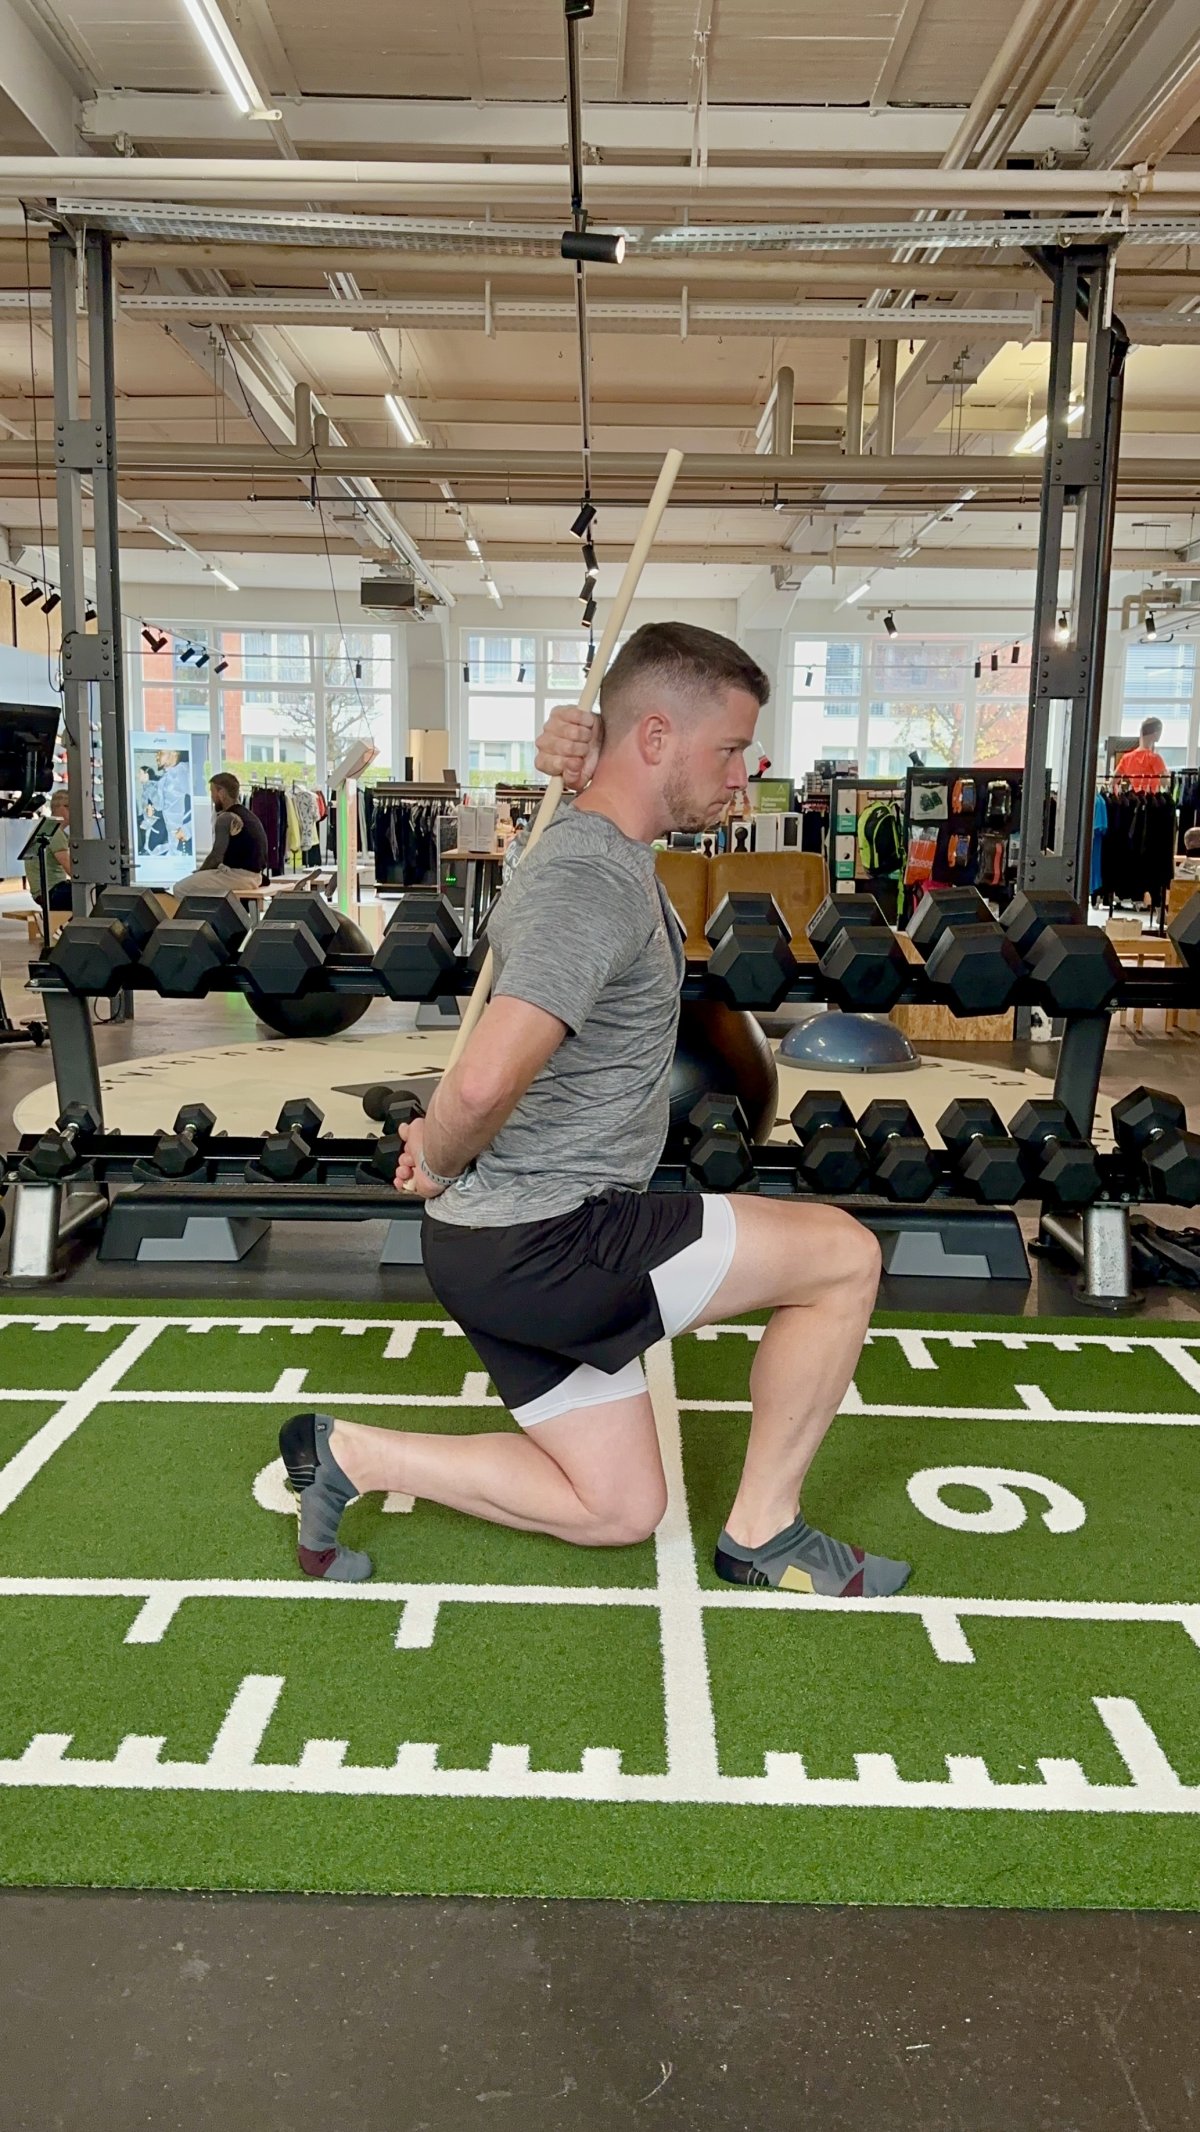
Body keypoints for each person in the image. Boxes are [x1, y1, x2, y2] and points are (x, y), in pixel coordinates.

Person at [279, 621, 907, 1602]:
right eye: (730, 749)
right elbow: (480, 1084)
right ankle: (764, 1532)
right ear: (655, 737)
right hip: (552, 1239)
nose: (742, 777)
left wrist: (578, 762)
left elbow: (600, 796)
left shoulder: (588, 844)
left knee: (618, 1505)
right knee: (844, 1258)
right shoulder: (590, 879)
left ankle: (349, 1452)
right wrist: (437, 1153)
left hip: (495, 1245)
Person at [169, 771, 268, 900]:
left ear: (221, 793)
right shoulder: (250, 816)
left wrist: (199, 873)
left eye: (212, 792)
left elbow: (216, 856)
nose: (212, 797)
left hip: (237, 877)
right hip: (256, 877)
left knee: (180, 888)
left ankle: (203, 913)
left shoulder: (225, 818)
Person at [22, 787, 73, 910]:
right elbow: (72, 870)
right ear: (62, 808)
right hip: (52, 891)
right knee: (96, 891)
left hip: (45, 891)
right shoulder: (54, 832)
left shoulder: (49, 827)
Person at [1114, 717, 1168, 792]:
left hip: (1134, 797)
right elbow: (1166, 784)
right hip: (1151, 797)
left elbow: (1112, 782)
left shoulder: (1126, 758)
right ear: (1156, 734)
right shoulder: (1154, 758)